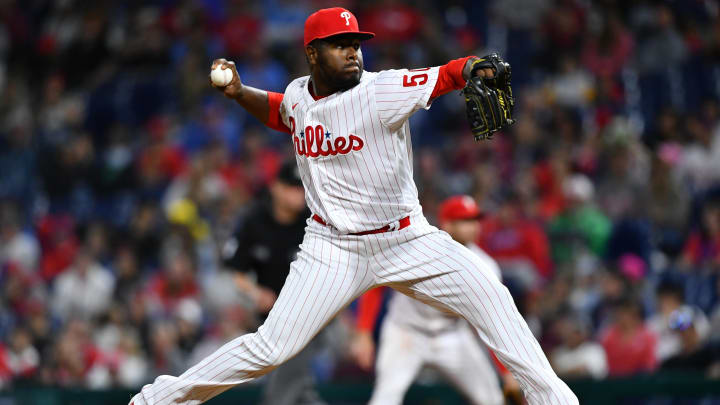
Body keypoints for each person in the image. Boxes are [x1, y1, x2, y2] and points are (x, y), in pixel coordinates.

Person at [129, 7, 578, 404]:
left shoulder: (382, 91)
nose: (352, 52)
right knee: (271, 348)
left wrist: (474, 66)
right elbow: (284, 112)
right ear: (312, 54)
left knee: (494, 298)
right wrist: (239, 92)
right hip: (331, 248)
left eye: (355, 44)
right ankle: (158, 400)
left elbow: (444, 74)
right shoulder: (301, 93)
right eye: (339, 45)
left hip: (406, 239)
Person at [350, 195, 519, 405]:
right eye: (466, 221)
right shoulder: (415, 250)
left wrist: (506, 372)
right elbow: (375, 288)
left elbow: (491, 323)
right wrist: (364, 331)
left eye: (475, 219)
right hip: (406, 333)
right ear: (447, 224)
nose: (474, 226)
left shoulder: (485, 266)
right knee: (384, 400)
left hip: (452, 336)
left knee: (492, 399)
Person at [223, 161, 327, 405]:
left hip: (309, 315)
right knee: (301, 393)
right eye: (291, 187)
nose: (297, 193)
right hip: (266, 316)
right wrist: (255, 293)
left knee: (283, 390)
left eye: (300, 187)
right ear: (275, 188)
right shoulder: (254, 219)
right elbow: (236, 272)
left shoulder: (314, 220)